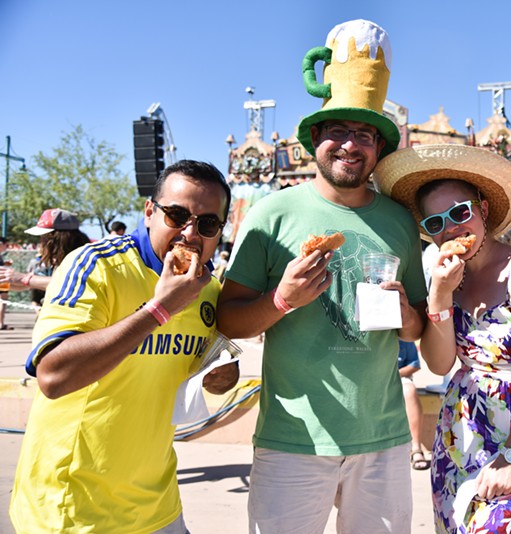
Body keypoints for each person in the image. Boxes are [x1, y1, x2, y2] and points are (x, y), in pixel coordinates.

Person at [216, 20, 427, 533]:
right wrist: (281, 300)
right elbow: (229, 319)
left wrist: (406, 317)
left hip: (383, 440)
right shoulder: (272, 215)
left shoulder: (401, 222)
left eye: (364, 135)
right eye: (338, 132)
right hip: (294, 440)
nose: (351, 146)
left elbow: (419, 328)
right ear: (315, 140)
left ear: (379, 150)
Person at [9, 160, 240, 532]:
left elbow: (208, 368)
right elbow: (53, 375)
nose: (189, 233)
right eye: (176, 214)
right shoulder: (95, 266)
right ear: (149, 212)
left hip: (158, 503)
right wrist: (160, 309)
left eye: (207, 223)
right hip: (73, 509)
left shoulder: (206, 288)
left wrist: (223, 375)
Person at [372, 144, 511, 533]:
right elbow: (441, 364)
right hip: (458, 429)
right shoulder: (447, 280)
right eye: (435, 223)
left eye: (460, 213)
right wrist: (440, 297)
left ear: (484, 210)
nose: (451, 229)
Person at [0, 209, 90, 300]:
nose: (42, 241)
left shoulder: (83, 257)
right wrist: (7, 280)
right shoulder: (61, 259)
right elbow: (31, 285)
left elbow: (70, 283)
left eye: (45, 237)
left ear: (58, 237)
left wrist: (24, 278)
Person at [398, 340, 430, 470]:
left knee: (409, 391)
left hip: (397, 376)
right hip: (371, 378)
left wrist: (392, 375)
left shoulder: (403, 336)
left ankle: (416, 448)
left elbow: (414, 364)